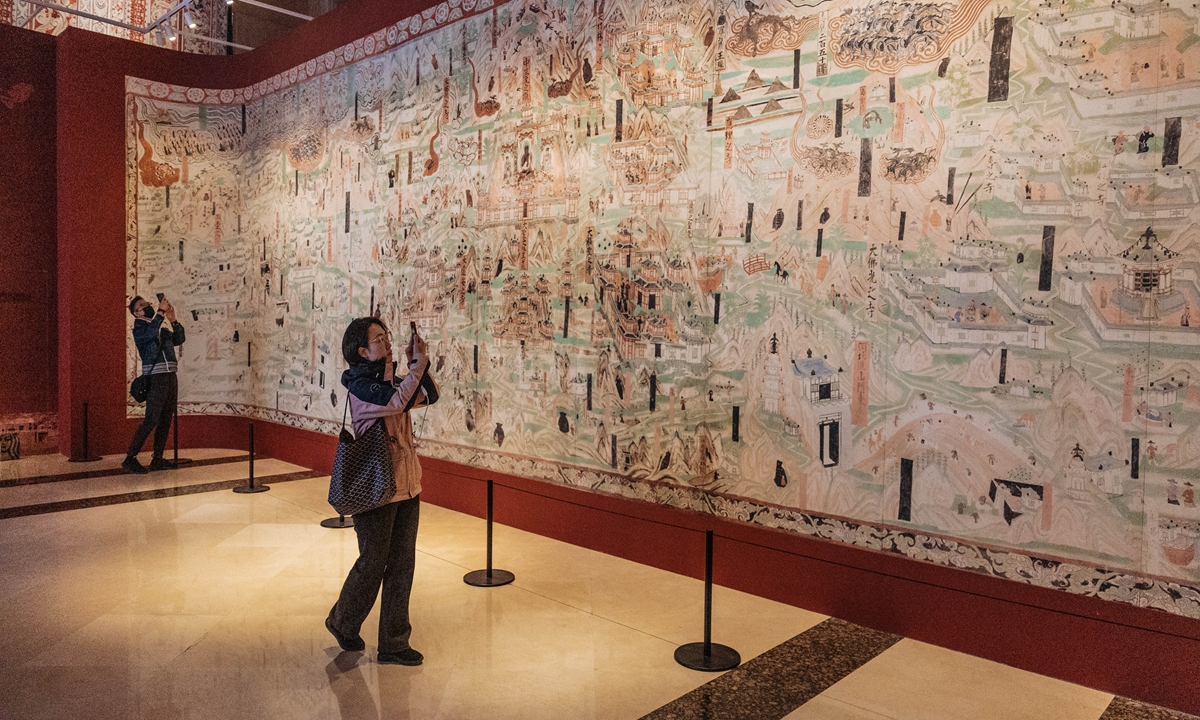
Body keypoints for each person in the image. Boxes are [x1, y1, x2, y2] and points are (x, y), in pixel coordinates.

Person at [326, 316, 430, 666]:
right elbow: (397, 402)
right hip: (374, 487)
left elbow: (426, 395)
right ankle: (342, 620)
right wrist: (416, 367)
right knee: (372, 562)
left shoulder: (390, 380)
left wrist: (418, 363)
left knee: (402, 564)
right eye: (378, 340)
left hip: (406, 484)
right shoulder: (360, 387)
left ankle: (394, 644)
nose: (386, 344)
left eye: (387, 338)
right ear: (360, 351)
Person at [124, 295, 186, 474]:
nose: (146, 306)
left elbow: (179, 339)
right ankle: (130, 457)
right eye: (142, 306)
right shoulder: (140, 328)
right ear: (136, 313)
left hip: (170, 376)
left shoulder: (160, 327)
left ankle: (157, 458)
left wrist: (173, 320)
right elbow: (150, 336)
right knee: (151, 419)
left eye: (146, 304)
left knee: (166, 418)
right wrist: (159, 312)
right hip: (156, 378)